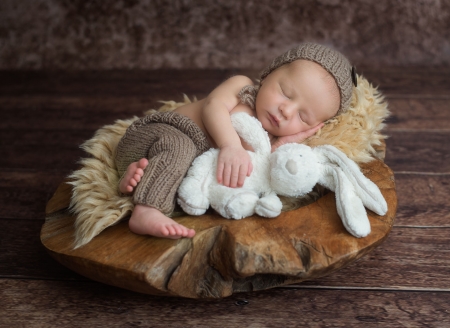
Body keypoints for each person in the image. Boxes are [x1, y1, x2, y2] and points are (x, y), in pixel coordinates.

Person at [114, 42, 356, 240]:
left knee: (191, 175)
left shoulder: (269, 137)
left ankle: (136, 177)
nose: (286, 110)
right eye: (285, 92)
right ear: (270, 72)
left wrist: (287, 142)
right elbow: (213, 107)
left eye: (303, 117)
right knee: (180, 147)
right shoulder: (242, 87)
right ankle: (147, 210)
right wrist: (230, 145)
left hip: (158, 161)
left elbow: (259, 165)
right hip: (159, 133)